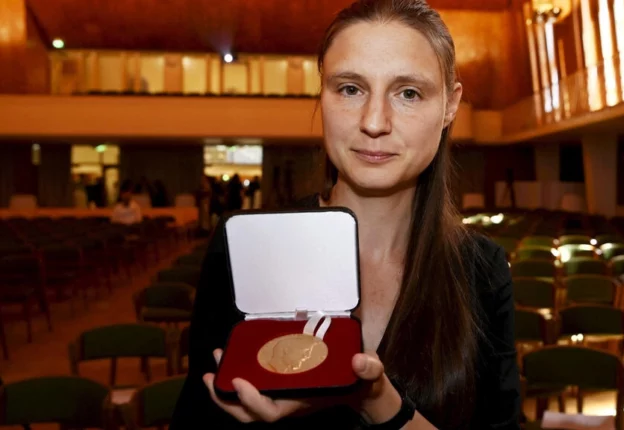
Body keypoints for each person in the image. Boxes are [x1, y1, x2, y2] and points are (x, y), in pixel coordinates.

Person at [170, 1, 520, 428]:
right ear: (322, 94)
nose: (374, 121)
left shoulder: (482, 270)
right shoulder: (247, 247)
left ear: (450, 105)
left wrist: (376, 401)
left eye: (408, 93)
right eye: (350, 89)